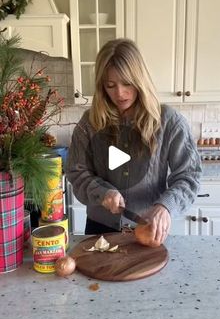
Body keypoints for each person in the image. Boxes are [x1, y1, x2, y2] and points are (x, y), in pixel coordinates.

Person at [66, 38, 202, 244]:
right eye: (110, 85)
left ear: (140, 80)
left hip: (149, 229)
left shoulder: (170, 122)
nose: (119, 93)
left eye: (127, 83)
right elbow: (77, 172)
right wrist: (102, 193)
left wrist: (165, 206)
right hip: (99, 228)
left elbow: (189, 176)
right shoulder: (89, 123)